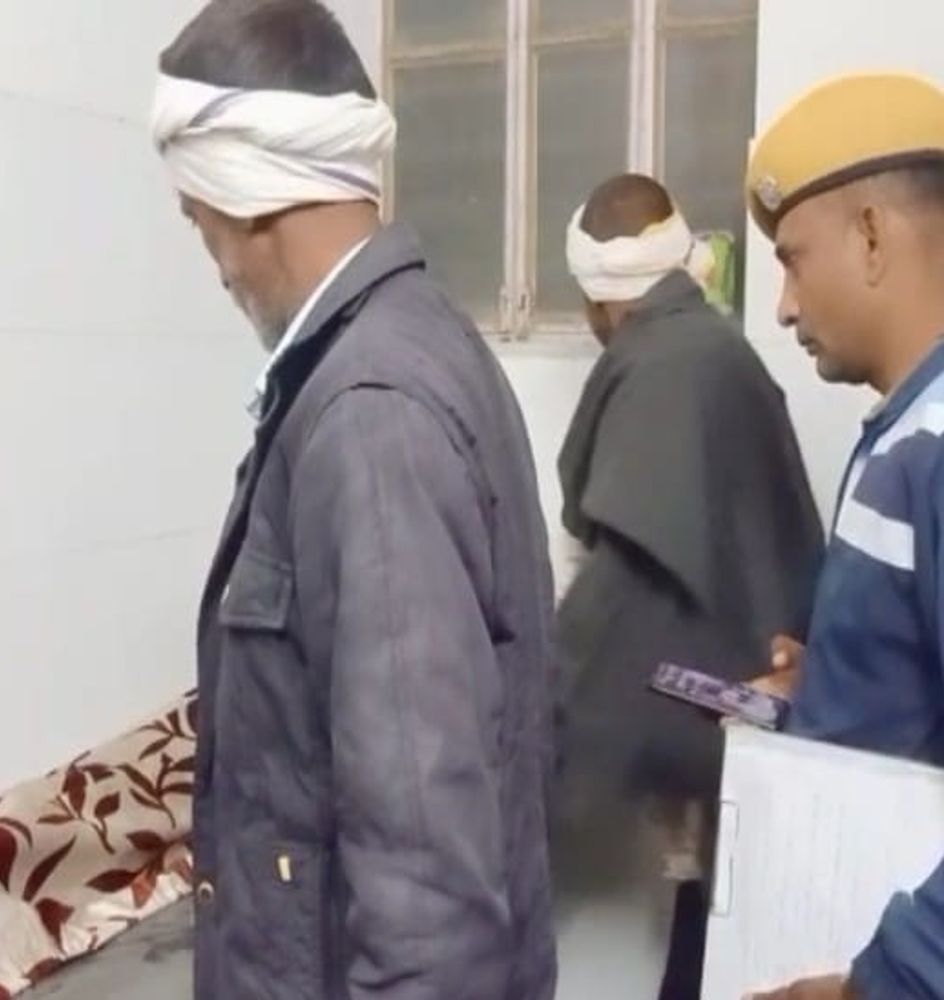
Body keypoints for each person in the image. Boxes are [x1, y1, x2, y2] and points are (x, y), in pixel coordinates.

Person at [150, 2, 557, 998]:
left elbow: (425, 885)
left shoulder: (368, 413)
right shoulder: (414, 342)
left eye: (200, 222)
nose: (217, 268)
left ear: (244, 193)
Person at [745, 73, 944, 1000]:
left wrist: (887, 983)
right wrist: (833, 680)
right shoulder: (920, 420)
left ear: (871, 237)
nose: (783, 306)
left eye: (793, 260)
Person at [552, 174, 824, 999]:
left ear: (599, 303)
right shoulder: (718, 351)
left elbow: (628, 582)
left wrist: (538, 737)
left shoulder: (663, 371)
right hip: (765, 698)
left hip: (726, 716)